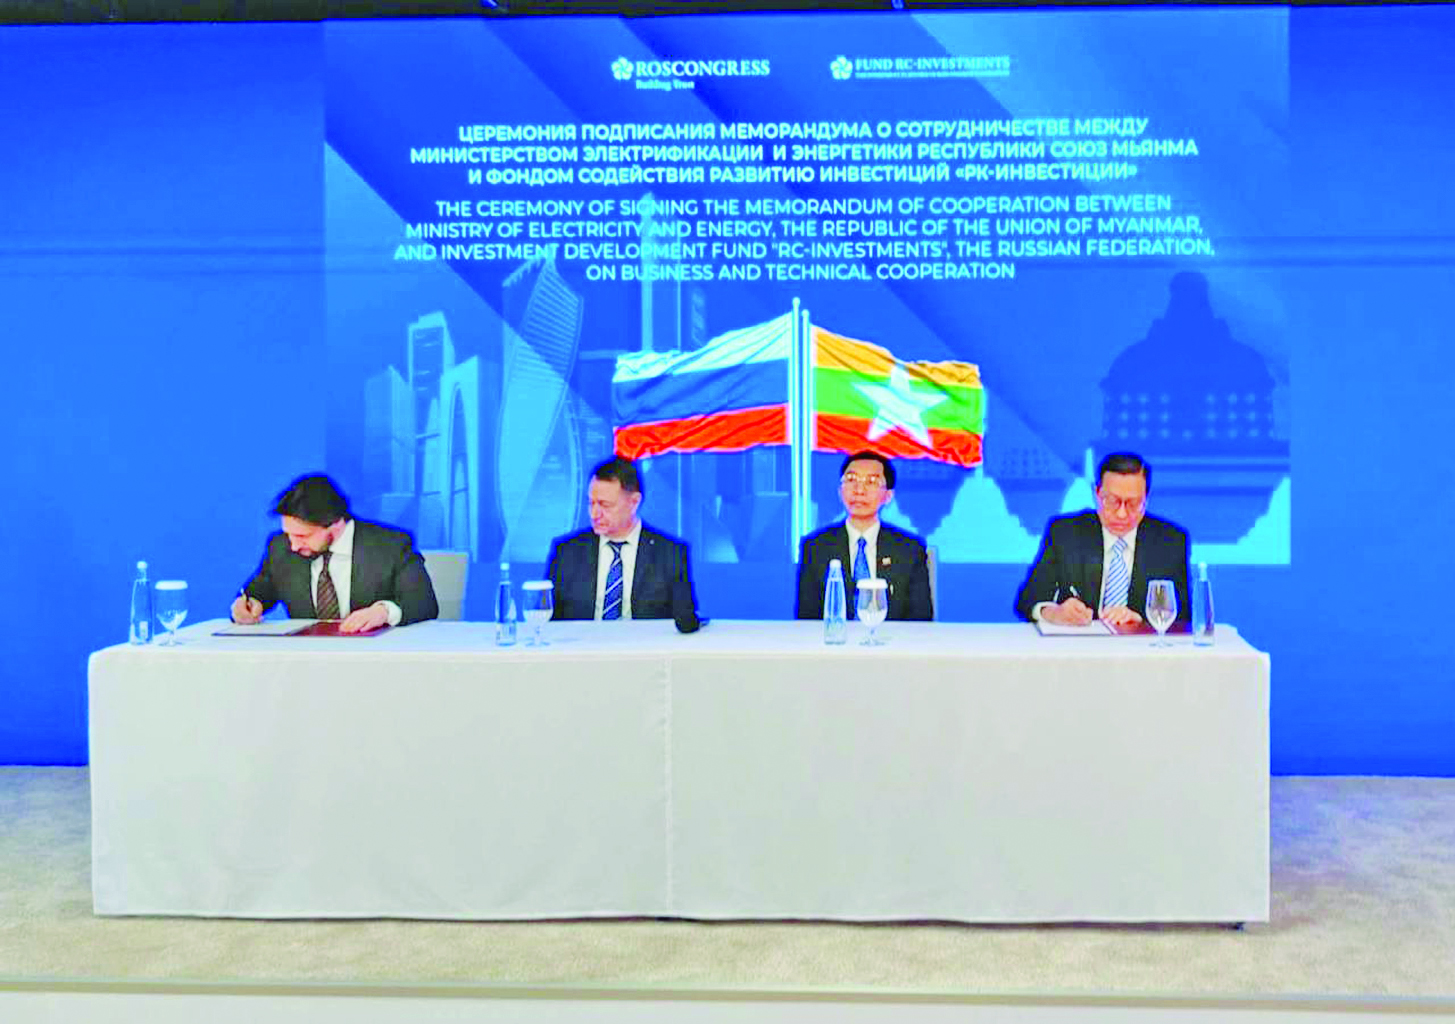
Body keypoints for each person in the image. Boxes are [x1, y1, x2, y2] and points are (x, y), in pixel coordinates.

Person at [231, 474, 438, 633]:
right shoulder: (280, 547)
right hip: (306, 660)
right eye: (288, 534)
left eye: (303, 536)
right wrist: (249, 603)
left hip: (375, 658)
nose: (293, 545)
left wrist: (383, 612)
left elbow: (423, 603)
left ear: (336, 524)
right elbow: (262, 589)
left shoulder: (391, 546)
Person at [1015, 451, 1190, 626]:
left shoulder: (1170, 542)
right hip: (1079, 641)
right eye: (1112, 501)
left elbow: (1182, 616)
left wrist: (1141, 621)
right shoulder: (1066, 533)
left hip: (1141, 642)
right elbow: (1027, 599)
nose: (1122, 514)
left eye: (1133, 503)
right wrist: (1053, 613)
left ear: (1146, 498)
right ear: (1097, 493)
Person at [546, 456, 696, 621]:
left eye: (605, 505)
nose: (594, 514)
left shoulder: (669, 553)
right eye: (591, 503)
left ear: (634, 502)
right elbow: (548, 619)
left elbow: (684, 620)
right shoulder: (567, 552)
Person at [796, 451, 934, 621]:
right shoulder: (816, 547)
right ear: (840, 491)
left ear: (888, 496)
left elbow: (920, 619)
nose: (859, 490)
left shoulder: (909, 549)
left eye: (872, 482)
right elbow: (807, 618)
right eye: (851, 480)